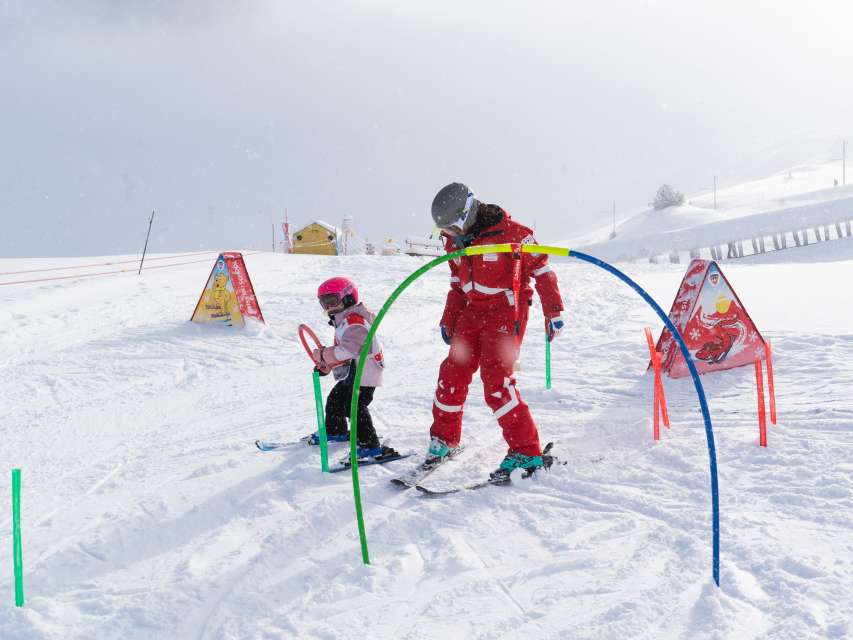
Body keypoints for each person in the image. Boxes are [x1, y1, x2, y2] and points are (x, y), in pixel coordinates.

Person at [425, 182, 565, 480]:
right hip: (471, 312)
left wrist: (553, 311)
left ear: (468, 211)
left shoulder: (514, 233)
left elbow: (542, 270)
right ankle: (444, 439)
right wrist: (449, 319)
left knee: (497, 381)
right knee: (452, 372)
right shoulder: (455, 242)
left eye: (453, 226)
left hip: (506, 309)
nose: (450, 234)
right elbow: (456, 284)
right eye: (446, 229)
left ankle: (526, 451)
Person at [308, 276, 397, 462]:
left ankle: (369, 446)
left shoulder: (354, 321)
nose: (329, 307)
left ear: (348, 297)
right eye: (324, 303)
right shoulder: (343, 319)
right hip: (353, 369)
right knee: (335, 399)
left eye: (333, 301)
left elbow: (350, 349)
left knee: (354, 406)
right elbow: (345, 351)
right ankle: (336, 430)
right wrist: (328, 364)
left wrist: (325, 355)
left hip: (365, 372)